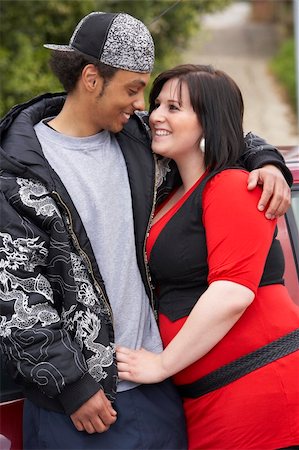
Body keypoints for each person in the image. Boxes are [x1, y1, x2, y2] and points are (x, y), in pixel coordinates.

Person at [0, 11, 292, 450]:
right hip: (77, 405)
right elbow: (16, 294)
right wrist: (73, 385)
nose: (144, 107)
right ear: (92, 78)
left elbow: (210, 128)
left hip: (158, 390)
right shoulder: (17, 171)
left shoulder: (142, 144)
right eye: (135, 90)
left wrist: (266, 159)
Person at [116, 64, 299, 449]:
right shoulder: (168, 194)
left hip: (260, 388)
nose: (157, 116)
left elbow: (232, 291)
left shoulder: (234, 185)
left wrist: (161, 365)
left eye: (174, 107)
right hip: (207, 397)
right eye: (157, 104)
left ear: (209, 121)